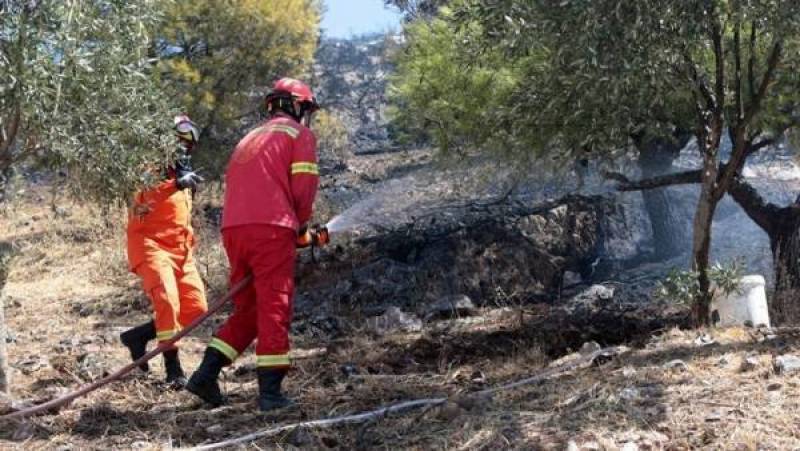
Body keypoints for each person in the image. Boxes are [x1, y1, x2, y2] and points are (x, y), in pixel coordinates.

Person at [187, 78, 321, 412]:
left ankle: (206, 374)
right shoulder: (298, 135)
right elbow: (303, 186)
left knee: (250, 309)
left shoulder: (249, 137)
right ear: (295, 105)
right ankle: (271, 394)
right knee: (275, 305)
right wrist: (301, 227)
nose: (307, 116)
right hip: (270, 228)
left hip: (234, 230)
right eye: (306, 109)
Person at [120, 115, 207, 387]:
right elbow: (144, 198)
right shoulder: (146, 169)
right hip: (151, 246)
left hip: (181, 252)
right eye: (178, 143)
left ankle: (138, 336)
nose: (183, 149)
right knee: (168, 302)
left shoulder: (182, 174)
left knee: (196, 309)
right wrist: (175, 184)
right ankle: (173, 368)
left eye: (187, 145)